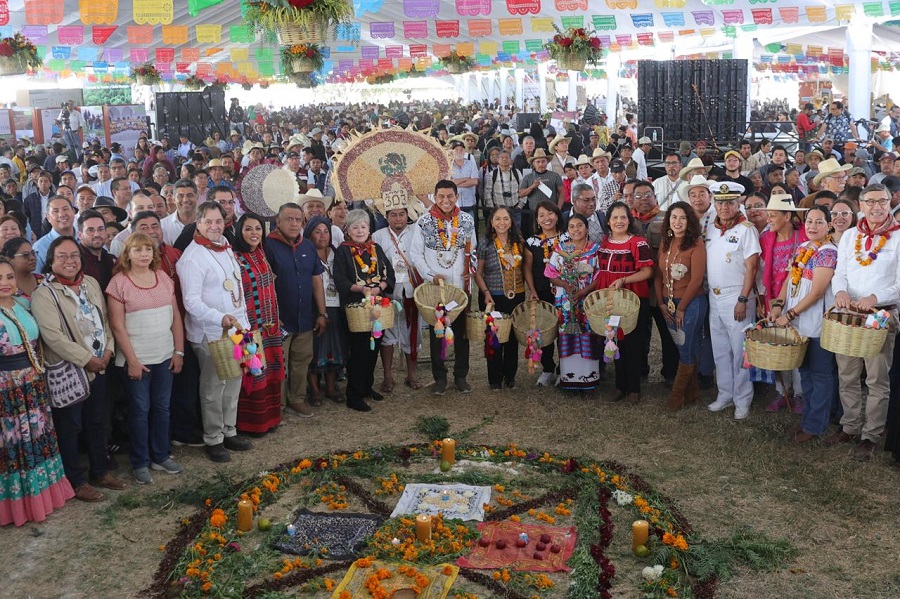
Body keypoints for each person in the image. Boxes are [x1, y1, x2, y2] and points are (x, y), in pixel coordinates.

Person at [32, 236, 124, 502]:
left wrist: (108, 350)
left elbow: (104, 319)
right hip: (71, 370)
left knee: (98, 421)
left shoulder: (90, 283)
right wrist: (86, 359)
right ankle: (76, 480)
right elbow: (53, 336)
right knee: (70, 427)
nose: (69, 261)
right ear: (51, 260)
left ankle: (100, 471)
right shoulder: (44, 294)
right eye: (62, 256)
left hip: (100, 366)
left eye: (74, 255)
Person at [0, 256, 75, 525]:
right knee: (14, 445)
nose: (5, 283)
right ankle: (17, 506)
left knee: (36, 438)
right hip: (7, 393)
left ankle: (42, 497)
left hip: (32, 386)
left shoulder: (23, 304)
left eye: (9, 277)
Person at [829, 184, 900, 461]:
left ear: (890, 202)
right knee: (847, 374)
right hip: (849, 315)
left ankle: (871, 435)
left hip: (880, 315)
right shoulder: (850, 235)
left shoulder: (898, 236)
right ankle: (849, 426)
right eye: (870, 201)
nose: (876, 207)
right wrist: (840, 292)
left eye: (882, 201)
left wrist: (875, 297)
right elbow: (840, 272)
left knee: (876, 378)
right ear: (860, 205)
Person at [177, 201, 252, 463]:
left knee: (234, 382)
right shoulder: (193, 257)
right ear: (198, 224)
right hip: (211, 333)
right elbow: (191, 302)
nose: (214, 226)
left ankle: (229, 430)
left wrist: (244, 325)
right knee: (213, 388)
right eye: (208, 221)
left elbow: (235, 289)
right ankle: (213, 438)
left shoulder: (225, 246)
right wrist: (219, 318)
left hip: (237, 329)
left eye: (218, 221)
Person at [106, 234, 184, 484]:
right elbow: (117, 326)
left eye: (148, 249)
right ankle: (140, 462)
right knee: (140, 411)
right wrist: (132, 361)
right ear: (127, 254)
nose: (143, 254)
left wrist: (179, 351)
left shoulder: (163, 278)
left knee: (162, 408)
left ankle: (160, 455)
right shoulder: (119, 283)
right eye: (137, 250)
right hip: (138, 359)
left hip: (164, 356)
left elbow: (175, 317)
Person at [767, 206, 837, 442]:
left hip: (816, 325)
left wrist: (789, 314)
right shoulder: (803, 247)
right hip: (798, 323)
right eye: (809, 221)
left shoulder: (828, 252)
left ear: (829, 225)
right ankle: (808, 419)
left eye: (819, 222)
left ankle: (816, 426)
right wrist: (778, 305)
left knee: (820, 375)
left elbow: (816, 293)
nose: (812, 226)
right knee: (805, 373)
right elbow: (789, 280)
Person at [409, 180, 476, 395]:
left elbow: (473, 250)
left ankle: (461, 376)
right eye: (441, 197)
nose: (446, 200)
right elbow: (415, 254)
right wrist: (430, 275)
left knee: (462, 333)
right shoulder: (424, 221)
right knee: (438, 332)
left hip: (461, 287)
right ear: (435, 197)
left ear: (457, 196)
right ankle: (440, 377)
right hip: (436, 288)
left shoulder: (467, 220)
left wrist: (470, 269)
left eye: (450, 196)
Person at [265, 202, 328, 417]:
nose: (294, 224)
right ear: (278, 221)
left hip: (305, 318)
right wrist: (271, 315)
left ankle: (297, 399)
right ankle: (278, 404)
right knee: (278, 364)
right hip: (279, 320)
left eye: (298, 220)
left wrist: (322, 313)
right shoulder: (267, 245)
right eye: (289, 219)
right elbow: (264, 284)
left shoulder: (308, 246)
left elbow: (316, 280)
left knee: (301, 361)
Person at [704, 182, 760, 420]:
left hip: (737, 295)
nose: (724, 207)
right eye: (720, 202)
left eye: (729, 202)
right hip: (714, 295)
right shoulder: (711, 227)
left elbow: (752, 266)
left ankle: (742, 399)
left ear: (739, 204)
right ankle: (725, 394)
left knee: (740, 351)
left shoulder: (746, 229)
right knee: (720, 349)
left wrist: (743, 298)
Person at [333, 209, 395, 412]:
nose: (360, 231)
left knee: (373, 347)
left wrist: (379, 288)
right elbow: (340, 279)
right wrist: (361, 289)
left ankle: (367, 386)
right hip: (355, 309)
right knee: (358, 350)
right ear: (347, 230)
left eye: (363, 226)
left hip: (377, 307)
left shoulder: (376, 248)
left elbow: (389, 274)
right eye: (355, 227)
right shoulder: (343, 251)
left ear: (369, 229)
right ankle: (354, 394)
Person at [595, 202, 654, 402]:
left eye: (623, 217)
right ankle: (620, 385)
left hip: (632, 297)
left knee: (633, 341)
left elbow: (647, 271)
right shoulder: (604, 242)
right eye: (615, 217)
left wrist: (624, 280)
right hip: (610, 299)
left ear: (629, 220)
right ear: (608, 221)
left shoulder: (638, 243)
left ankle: (634, 387)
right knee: (614, 339)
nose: (619, 221)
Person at [232, 213, 284, 436]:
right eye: (248, 229)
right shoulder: (234, 257)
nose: (254, 233)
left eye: (257, 229)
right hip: (247, 328)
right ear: (239, 231)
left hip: (269, 325)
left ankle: (271, 419)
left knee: (270, 370)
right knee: (253, 372)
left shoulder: (262, 253)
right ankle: (251, 425)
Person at [473, 206, 534, 390]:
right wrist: (486, 293)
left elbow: (525, 269)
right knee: (494, 337)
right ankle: (495, 379)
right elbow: (478, 273)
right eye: (498, 219)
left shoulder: (519, 241)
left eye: (506, 218)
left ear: (511, 221)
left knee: (512, 338)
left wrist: (531, 290)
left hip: (516, 295)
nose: (502, 222)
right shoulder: (485, 243)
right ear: (491, 222)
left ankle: (510, 376)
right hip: (493, 298)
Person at [758, 194, 808, 411]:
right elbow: (761, 270)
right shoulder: (766, 239)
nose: (768, 219)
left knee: (797, 345)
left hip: (798, 300)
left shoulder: (804, 235)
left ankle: (800, 394)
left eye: (772, 215)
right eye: (768, 215)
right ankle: (782, 392)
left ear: (787, 216)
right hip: (774, 299)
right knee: (778, 345)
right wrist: (764, 300)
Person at [656, 201, 707, 410]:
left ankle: (676, 396)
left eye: (683, 218)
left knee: (685, 347)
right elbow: (658, 275)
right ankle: (692, 392)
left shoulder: (696, 244)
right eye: (674, 217)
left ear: (690, 221)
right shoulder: (666, 242)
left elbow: (696, 280)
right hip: (669, 304)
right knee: (683, 345)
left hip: (691, 302)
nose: (677, 222)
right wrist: (660, 303)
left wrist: (682, 308)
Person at [545, 213, 601, 391]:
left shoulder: (595, 250)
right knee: (567, 333)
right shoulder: (560, 250)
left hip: (588, 299)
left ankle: (589, 379)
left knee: (588, 333)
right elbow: (550, 273)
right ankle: (568, 379)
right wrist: (565, 285)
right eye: (572, 226)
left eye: (580, 225)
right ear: (567, 231)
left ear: (587, 228)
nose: (576, 229)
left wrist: (583, 292)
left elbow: (599, 276)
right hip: (566, 300)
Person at [372, 197, 421, 392]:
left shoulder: (416, 232)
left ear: (407, 215)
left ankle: (412, 375)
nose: (398, 218)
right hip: (388, 292)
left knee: (413, 332)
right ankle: (387, 376)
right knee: (387, 333)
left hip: (411, 289)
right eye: (393, 215)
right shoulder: (377, 236)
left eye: (402, 214)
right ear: (387, 217)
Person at [525, 201, 567, 386]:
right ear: (537, 220)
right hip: (542, 291)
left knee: (565, 330)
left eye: (550, 213)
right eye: (541, 215)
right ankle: (548, 368)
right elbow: (527, 269)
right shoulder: (531, 242)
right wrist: (533, 290)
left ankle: (564, 369)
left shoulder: (568, 237)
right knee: (545, 331)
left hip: (564, 293)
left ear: (557, 215)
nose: (546, 218)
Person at [305, 216, 345, 402]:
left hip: (335, 305)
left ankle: (330, 387)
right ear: (309, 234)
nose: (322, 236)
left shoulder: (336, 253)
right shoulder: (306, 254)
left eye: (326, 231)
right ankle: (314, 389)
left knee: (333, 347)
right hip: (314, 307)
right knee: (315, 348)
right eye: (317, 232)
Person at [161, 179, 199, 246]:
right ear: (174, 199)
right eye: (180, 196)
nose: (185, 200)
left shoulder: (208, 223)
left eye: (189, 195)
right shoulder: (163, 225)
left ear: (197, 197)